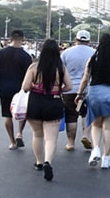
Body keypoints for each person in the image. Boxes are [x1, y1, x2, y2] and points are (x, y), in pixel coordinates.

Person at [75, 33, 110, 170]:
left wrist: (79, 93)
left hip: (96, 95)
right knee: (108, 127)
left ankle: (95, 150)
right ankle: (106, 158)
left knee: (96, 125)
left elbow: (85, 79)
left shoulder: (93, 59)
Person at [22, 39, 72, 181]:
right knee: (51, 138)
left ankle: (38, 162)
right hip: (54, 101)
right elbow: (69, 86)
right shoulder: (61, 68)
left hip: (36, 102)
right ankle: (48, 162)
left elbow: (25, 87)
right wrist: (58, 89)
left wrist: (36, 87)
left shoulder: (34, 67)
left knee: (37, 135)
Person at [0, 30, 33, 150]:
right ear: (23, 39)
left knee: (7, 115)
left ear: (10, 38)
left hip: (5, 88)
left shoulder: (2, 53)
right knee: (22, 112)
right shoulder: (26, 56)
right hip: (21, 89)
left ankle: (12, 142)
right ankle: (20, 133)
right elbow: (30, 74)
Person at [60, 30, 96, 151]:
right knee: (87, 114)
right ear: (89, 41)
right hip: (89, 89)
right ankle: (86, 135)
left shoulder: (66, 53)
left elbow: (60, 71)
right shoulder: (95, 53)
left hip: (70, 88)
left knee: (71, 116)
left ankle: (70, 143)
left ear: (76, 39)